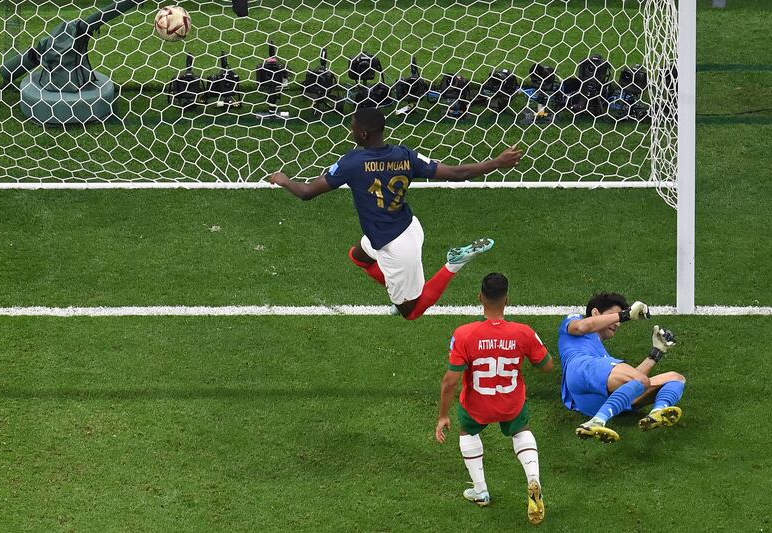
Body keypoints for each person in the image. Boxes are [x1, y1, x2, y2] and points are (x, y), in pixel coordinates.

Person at [270, 107, 523, 320]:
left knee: (411, 312)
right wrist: (497, 162)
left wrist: (284, 180)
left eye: (353, 129)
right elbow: (458, 173)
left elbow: (306, 192)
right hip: (404, 226)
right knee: (358, 256)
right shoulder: (405, 155)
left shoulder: (353, 162)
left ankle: (454, 263)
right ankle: (399, 290)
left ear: (364, 133)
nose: (351, 132)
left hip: (396, 246)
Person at [435, 273, 553, 525]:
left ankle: (481, 491)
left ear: (480, 297)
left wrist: (443, 415)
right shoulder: (523, 332)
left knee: (467, 432)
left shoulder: (464, 334)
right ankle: (533, 479)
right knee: (521, 430)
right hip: (512, 403)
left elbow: (450, 382)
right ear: (507, 299)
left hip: (477, 405)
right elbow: (547, 366)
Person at [558, 292, 686, 443]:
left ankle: (657, 413)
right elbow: (582, 327)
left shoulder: (602, 356)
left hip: (592, 401)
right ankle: (597, 421)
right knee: (641, 380)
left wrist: (656, 353)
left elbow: (634, 382)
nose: (618, 323)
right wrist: (625, 315)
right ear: (595, 313)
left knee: (676, 378)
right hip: (580, 369)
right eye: (613, 316)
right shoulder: (576, 320)